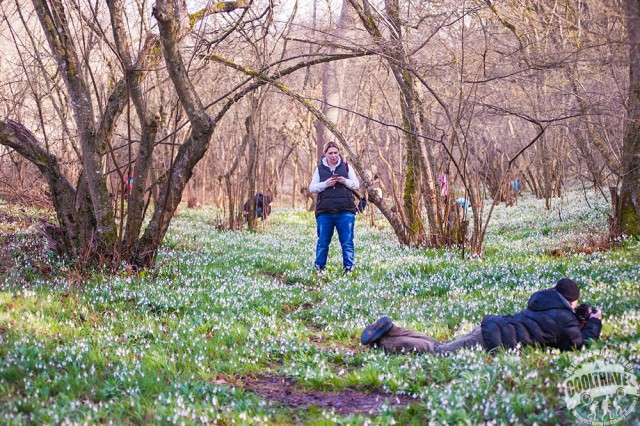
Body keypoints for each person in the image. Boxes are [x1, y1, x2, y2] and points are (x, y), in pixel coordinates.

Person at [361, 278, 602, 354]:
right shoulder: (564, 318)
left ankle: (392, 330)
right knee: (438, 352)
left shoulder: (544, 302)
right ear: (572, 301)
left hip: (493, 328)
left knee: (439, 345)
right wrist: (594, 324)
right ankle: (382, 342)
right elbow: (579, 346)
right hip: (490, 340)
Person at [309, 141, 360, 273]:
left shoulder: (347, 167)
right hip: (325, 212)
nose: (333, 155)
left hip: (346, 211)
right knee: (323, 243)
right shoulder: (319, 169)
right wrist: (326, 184)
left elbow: (356, 184)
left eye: (336, 153)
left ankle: (349, 269)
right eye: (330, 153)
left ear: (339, 153)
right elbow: (312, 187)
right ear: (325, 154)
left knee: (347, 242)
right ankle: (319, 268)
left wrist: (344, 181)